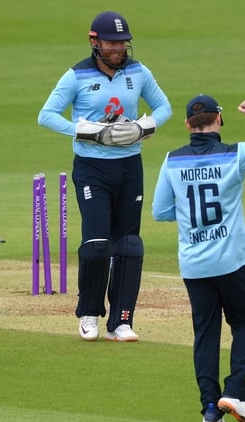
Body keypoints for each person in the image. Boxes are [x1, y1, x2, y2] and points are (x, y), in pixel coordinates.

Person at [152, 94, 245, 422]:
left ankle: (210, 412)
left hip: (194, 264)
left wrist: (188, 217)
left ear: (188, 125)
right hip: (232, 260)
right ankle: (234, 391)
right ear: (219, 119)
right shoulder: (236, 154)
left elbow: (160, 211)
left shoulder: (171, 160)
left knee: (206, 334)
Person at [38, 11, 172, 342]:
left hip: (130, 167)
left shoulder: (138, 72)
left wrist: (141, 128)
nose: (118, 49)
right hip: (92, 168)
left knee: (129, 245)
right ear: (94, 41)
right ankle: (89, 313)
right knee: (97, 245)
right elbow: (47, 115)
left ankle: (121, 320)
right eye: (112, 43)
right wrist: (85, 132)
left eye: (122, 43)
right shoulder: (76, 76)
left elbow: (164, 107)